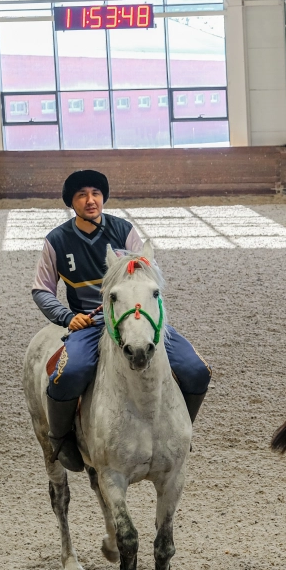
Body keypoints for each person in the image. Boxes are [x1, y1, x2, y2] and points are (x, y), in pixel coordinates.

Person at [33, 170, 211, 473]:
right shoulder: (56, 241)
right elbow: (41, 289)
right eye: (82, 195)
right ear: (72, 203)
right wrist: (67, 317)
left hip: (135, 319)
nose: (91, 200)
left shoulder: (124, 231)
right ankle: (61, 440)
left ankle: (182, 434)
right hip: (90, 324)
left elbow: (150, 278)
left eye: (96, 194)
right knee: (68, 375)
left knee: (196, 371)